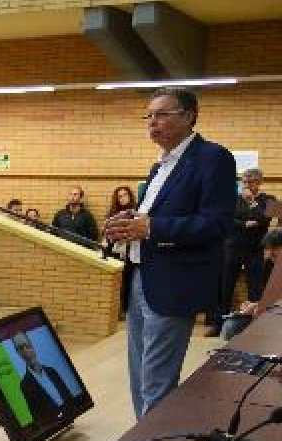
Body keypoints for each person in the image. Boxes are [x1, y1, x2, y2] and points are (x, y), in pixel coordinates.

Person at [103, 87, 236, 419]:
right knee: (139, 374)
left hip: (174, 283)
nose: (152, 123)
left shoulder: (212, 158)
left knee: (157, 380)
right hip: (140, 276)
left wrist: (150, 228)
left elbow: (216, 223)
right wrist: (128, 222)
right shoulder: (160, 165)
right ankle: (140, 437)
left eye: (162, 115)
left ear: (189, 117)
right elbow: (155, 215)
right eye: (149, 116)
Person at [218, 168, 273, 333]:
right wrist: (244, 224)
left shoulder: (270, 199)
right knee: (226, 286)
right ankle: (219, 324)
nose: (248, 185)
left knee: (256, 286)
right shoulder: (232, 199)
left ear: (260, 182)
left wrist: (252, 204)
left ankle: (254, 325)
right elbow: (228, 219)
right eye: (245, 182)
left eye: (252, 182)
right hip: (232, 248)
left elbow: (264, 219)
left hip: (255, 250)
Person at [220, 228, 282, 340]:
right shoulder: (269, 265)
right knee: (231, 327)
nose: (270, 255)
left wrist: (261, 308)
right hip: (272, 311)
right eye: (268, 250)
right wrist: (255, 305)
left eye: (274, 250)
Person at [11, 331, 76, 422]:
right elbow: (37, 416)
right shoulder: (25, 385)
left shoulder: (52, 371)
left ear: (32, 347)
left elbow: (69, 398)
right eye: (21, 348)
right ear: (18, 353)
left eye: (27, 346)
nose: (25, 351)